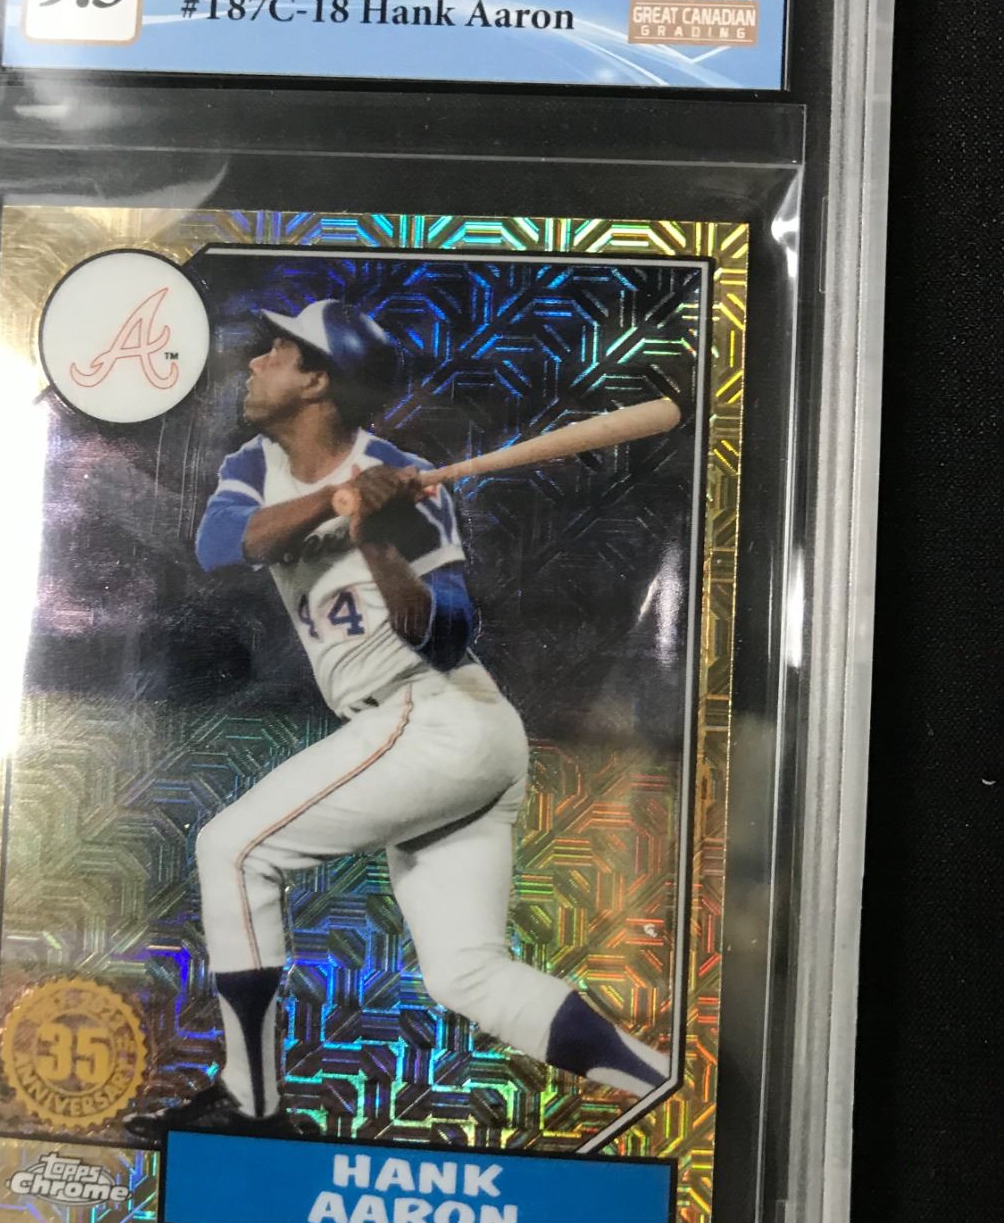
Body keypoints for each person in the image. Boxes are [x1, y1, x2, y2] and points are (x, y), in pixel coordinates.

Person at [128, 299, 669, 1138]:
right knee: (467, 974)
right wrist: (333, 502)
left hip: (438, 714)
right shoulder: (254, 463)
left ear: (317, 379)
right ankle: (666, 1084)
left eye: (279, 351)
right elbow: (223, 546)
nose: (257, 362)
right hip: (437, 735)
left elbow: (447, 635)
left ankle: (251, 1104)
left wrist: (380, 542)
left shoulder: (403, 478)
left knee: (231, 850)